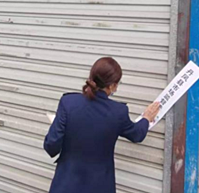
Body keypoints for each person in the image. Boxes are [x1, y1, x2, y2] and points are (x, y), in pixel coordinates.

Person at [44, 56, 161, 193]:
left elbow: (51, 146)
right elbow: (137, 134)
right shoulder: (118, 112)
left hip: (66, 185)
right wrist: (146, 117)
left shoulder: (68, 102)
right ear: (112, 86)